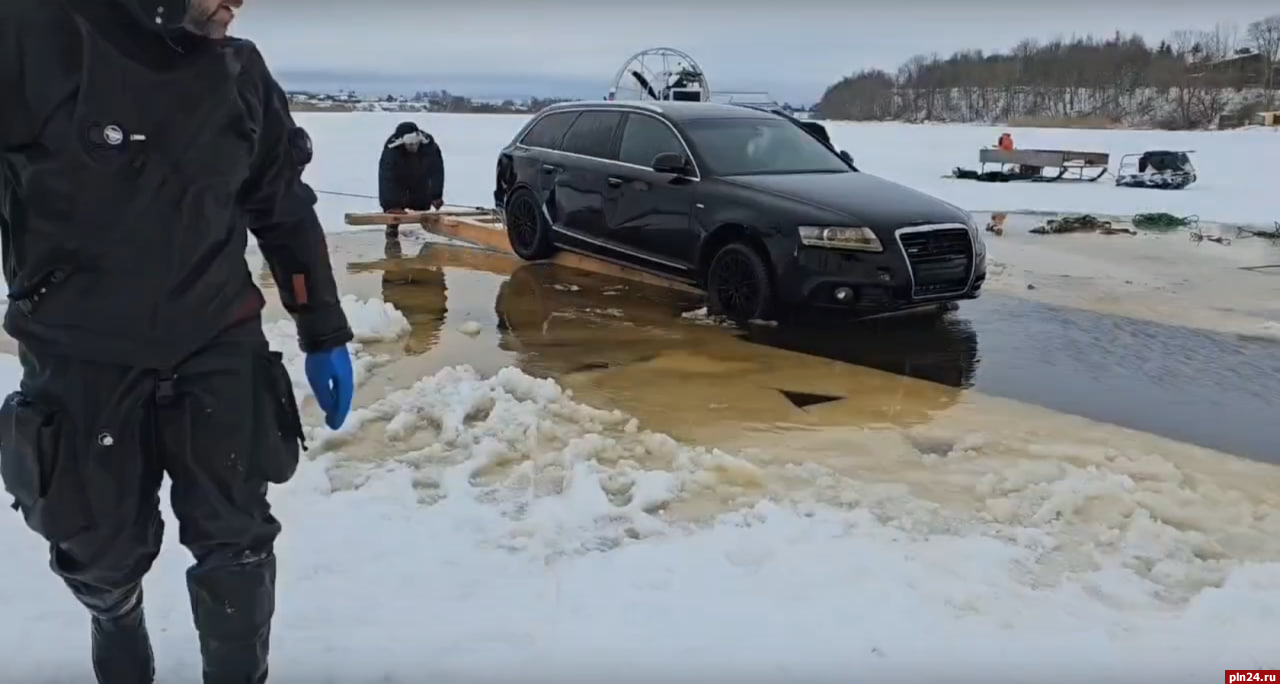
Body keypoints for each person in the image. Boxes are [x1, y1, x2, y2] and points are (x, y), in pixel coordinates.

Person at [0, 1, 355, 682]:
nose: (235, 3)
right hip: (79, 352)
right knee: (97, 551)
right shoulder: (36, 32)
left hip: (215, 337)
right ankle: (116, 615)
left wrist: (324, 329)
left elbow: (282, 208)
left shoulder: (238, 72)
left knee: (238, 543)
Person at [378, 121, 445, 237]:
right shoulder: (391, 151)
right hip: (399, 181)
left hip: (420, 178)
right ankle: (392, 228)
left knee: (422, 205)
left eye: (415, 143)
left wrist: (436, 195)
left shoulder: (430, 147)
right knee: (394, 211)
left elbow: (437, 171)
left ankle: (426, 227)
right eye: (410, 144)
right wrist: (392, 205)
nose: (413, 146)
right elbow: (386, 178)